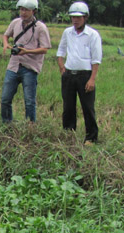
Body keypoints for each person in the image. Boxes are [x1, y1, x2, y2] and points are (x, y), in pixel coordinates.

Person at [56, 2, 102, 145]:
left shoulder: (93, 35)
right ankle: (69, 134)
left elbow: (96, 59)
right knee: (68, 107)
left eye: (78, 17)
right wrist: (61, 66)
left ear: (85, 17)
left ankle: (91, 137)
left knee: (87, 107)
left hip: (85, 76)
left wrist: (92, 79)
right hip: (69, 75)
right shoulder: (67, 32)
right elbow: (61, 50)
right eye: (73, 17)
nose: (75, 20)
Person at [1, 0, 51, 124]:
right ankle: (6, 125)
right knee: (5, 99)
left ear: (33, 11)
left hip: (30, 67)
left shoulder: (40, 27)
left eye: (26, 10)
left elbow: (45, 49)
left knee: (29, 101)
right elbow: (6, 35)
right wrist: (6, 44)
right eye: (21, 9)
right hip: (13, 65)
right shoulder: (15, 23)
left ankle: (30, 127)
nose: (23, 12)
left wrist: (27, 51)